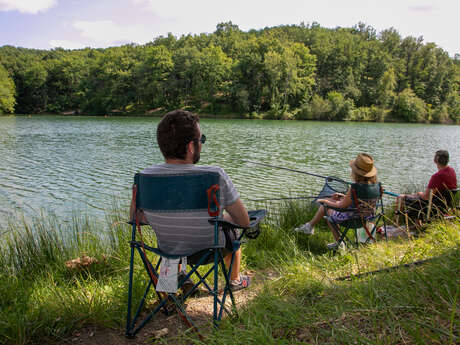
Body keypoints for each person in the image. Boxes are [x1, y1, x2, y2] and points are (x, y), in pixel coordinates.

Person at [132, 110, 251, 291]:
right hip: (211, 250)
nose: (201, 145)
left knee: (170, 237)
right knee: (233, 236)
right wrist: (225, 218)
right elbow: (244, 222)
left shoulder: (144, 178)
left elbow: (136, 219)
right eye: (201, 140)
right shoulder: (215, 175)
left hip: (169, 249)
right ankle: (234, 280)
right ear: (190, 147)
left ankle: (169, 291)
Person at [294, 153, 378, 250]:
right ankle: (309, 227)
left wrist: (325, 201)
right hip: (366, 218)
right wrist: (343, 196)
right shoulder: (376, 186)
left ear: (356, 173)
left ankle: (339, 243)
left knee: (326, 208)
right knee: (332, 201)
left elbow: (341, 206)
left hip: (352, 219)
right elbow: (360, 201)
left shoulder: (355, 188)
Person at [395, 150, 457, 221]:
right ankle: (416, 222)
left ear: (435, 160)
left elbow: (426, 197)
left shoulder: (437, 176)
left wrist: (420, 193)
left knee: (400, 197)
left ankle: (396, 222)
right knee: (413, 196)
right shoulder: (452, 171)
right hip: (443, 207)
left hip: (431, 207)